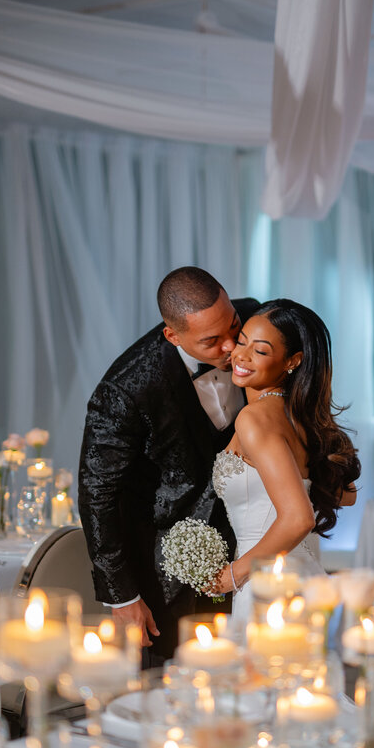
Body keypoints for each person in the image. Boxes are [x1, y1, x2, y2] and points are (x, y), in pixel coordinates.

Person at [78, 267, 259, 664]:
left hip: (249, 541)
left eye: (233, 326)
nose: (232, 347)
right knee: (172, 682)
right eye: (212, 341)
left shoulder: (257, 321)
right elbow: (98, 494)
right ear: (172, 336)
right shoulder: (125, 390)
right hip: (165, 558)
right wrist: (122, 596)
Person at [207, 299, 360, 622]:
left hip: (269, 582)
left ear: (293, 361)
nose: (241, 356)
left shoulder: (254, 419)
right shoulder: (303, 417)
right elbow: (346, 495)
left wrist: (232, 575)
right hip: (304, 574)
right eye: (242, 341)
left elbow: (298, 519)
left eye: (260, 351)